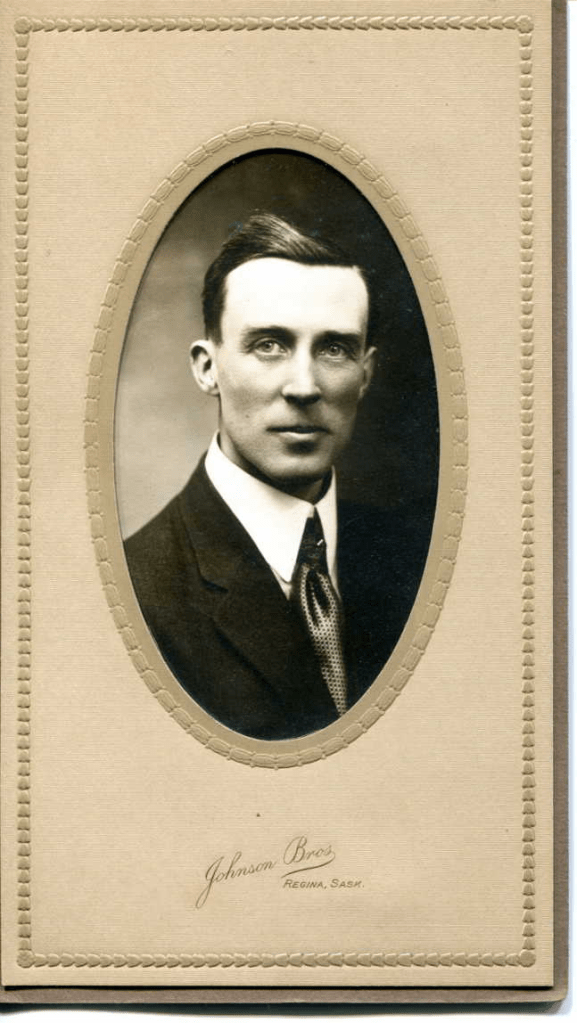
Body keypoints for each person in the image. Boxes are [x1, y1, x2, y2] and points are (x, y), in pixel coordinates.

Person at [124, 213, 430, 740]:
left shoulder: (418, 556)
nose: (304, 386)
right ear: (207, 368)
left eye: (334, 348)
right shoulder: (136, 595)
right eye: (269, 345)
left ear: (365, 375)